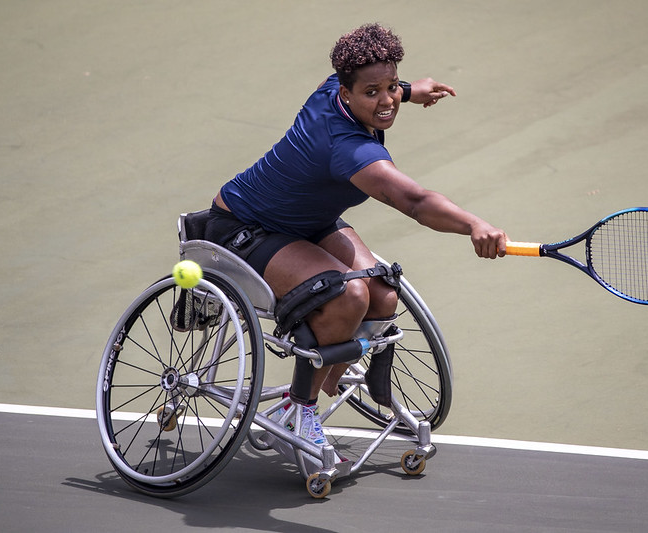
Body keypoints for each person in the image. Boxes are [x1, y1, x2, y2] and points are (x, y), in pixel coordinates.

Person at [204, 23, 508, 448]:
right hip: (244, 227)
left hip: (309, 223)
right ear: (346, 94)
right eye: (372, 92)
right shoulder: (351, 150)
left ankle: (331, 370)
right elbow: (417, 202)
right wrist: (474, 224)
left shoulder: (334, 85)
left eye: (391, 88)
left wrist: (410, 90)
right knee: (347, 297)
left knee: (383, 291)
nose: (386, 101)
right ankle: (300, 407)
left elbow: (377, 84)